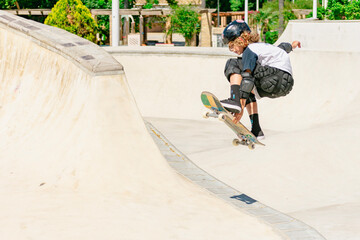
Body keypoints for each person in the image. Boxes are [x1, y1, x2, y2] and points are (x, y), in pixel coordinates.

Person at [220, 20, 301, 139]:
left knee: (233, 64)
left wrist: (240, 106)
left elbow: (248, 79)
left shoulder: (249, 50)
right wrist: (293, 45)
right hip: (284, 85)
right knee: (247, 91)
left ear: (240, 40)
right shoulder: (263, 47)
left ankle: (234, 100)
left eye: (232, 45)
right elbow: (283, 48)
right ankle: (257, 130)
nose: (232, 49)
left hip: (274, 76)